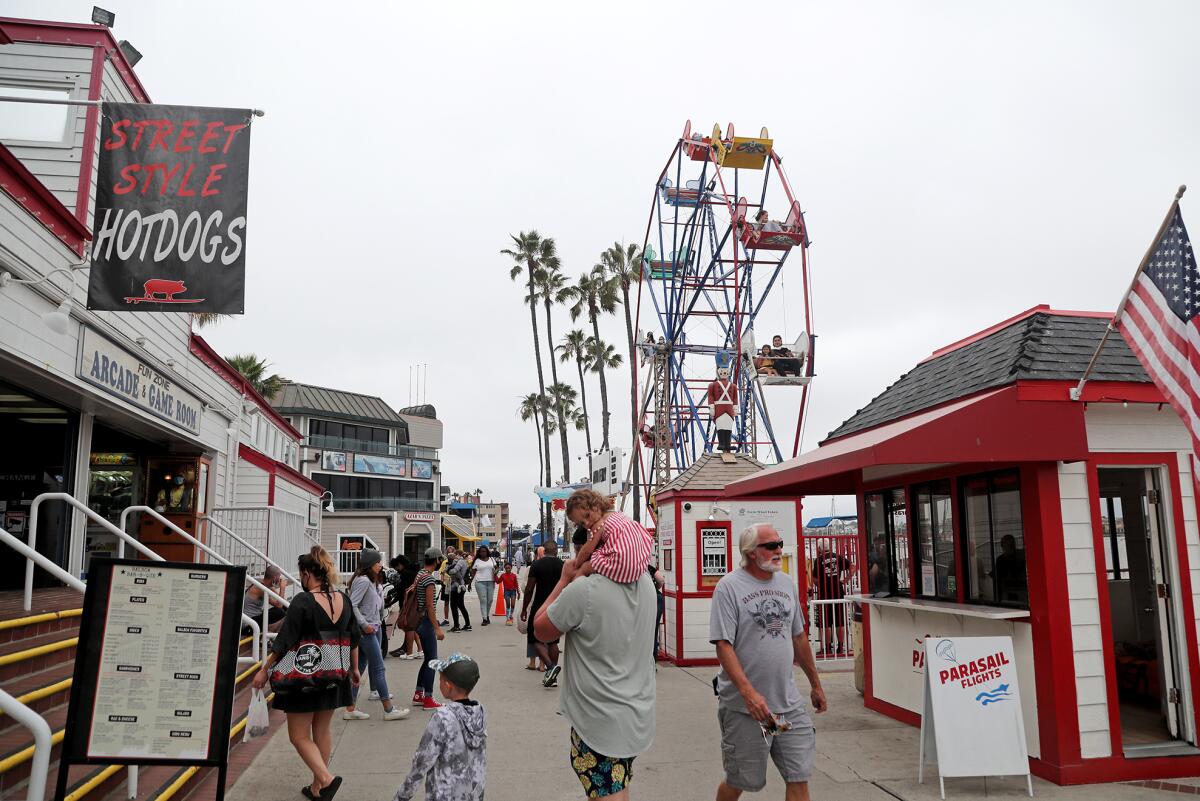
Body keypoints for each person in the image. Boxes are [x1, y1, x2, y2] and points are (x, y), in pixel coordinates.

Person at [710, 524, 827, 801]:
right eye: (771, 546)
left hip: (785, 710)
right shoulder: (729, 587)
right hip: (748, 711)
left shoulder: (786, 583)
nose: (778, 550)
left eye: (779, 544)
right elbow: (723, 645)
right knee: (741, 780)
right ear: (751, 552)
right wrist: (749, 694)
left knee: (798, 774)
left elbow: (798, 636)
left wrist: (816, 685)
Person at [535, 539, 656, 800]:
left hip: (598, 719)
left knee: (607, 790)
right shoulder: (645, 582)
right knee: (618, 784)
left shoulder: (585, 590)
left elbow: (541, 628)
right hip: (635, 714)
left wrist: (565, 579)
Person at [252, 546, 357, 801]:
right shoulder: (344, 598)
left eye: (301, 574)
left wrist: (265, 670)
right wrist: (354, 669)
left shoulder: (303, 600)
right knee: (322, 730)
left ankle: (327, 779)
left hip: (305, 676)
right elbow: (354, 637)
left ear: (308, 573)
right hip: (335, 672)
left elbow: (285, 641)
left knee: (298, 736)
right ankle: (318, 787)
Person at [391, 653, 487, 801]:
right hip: (473, 794)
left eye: (441, 680)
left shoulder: (443, 717)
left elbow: (422, 762)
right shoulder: (479, 712)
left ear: (448, 685)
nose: (440, 683)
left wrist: (402, 796)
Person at [343, 550, 409, 721]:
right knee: (379, 667)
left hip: (375, 627)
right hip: (367, 630)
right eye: (378, 562)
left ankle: (350, 708)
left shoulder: (372, 580)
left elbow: (375, 602)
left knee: (363, 665)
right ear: (370, 564)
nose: (381, 564)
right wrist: (364, 625)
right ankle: (388, 709)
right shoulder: (363, 581)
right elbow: (352, 604)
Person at [566, 489, 654, 586]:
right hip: (638, 566)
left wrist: (577, 564)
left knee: (585, 567)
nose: (587, 523)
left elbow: (587, 550)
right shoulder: (619, 516)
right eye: (582, 523)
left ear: (596, 505)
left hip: (621, 563)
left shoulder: (599, 524)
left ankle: (574, 587)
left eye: (587, 515)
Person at [520, 540, 563, 687]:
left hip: (540, 606)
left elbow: (529, 589)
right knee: (553, 641)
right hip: (557, 606)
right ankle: (553, 676)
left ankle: (551, 668)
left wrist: (524, 608)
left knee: (535, 639)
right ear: (556, 550)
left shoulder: (536, 565)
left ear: (544, 550)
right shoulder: (562, 565)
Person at [410, 548, 448, 711]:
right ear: (437, 560)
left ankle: (419, 693)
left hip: (418, 621)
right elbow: (430, 607)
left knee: (427, 659)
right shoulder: (429, 580)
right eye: (441, 560)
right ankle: (428, 698)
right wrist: (437, 628)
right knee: (433, 661)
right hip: (426, 622)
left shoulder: (420, 574)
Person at [812, 541, 850, 657]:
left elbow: (814, 578)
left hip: (825, 593)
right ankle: (841, 647)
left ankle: (828, 649)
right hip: (838, 592)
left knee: (826, 622)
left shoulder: (818, 560)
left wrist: (821, 585)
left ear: (819, 547)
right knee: (840, 621)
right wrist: (844, 581)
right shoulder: (838, 557)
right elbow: (852, 567)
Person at [387, 555, 423, 659]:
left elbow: (401, 590)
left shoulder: (406, 574)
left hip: (408, 603)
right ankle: (420, 650)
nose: (396, 570)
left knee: (408, 627)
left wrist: (391, 601)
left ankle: (409, 653)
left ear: (400, 565)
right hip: (413, 603)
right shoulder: (413, 572)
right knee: (413, 627)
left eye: (396, 567)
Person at [242, 564, 288, 633]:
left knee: (286, 608)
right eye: (279, 577)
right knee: (279, 612)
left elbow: (282, 602)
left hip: (256, 618)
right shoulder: (259, 588)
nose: (280, 579)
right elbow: (279, 605)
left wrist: (277, 589)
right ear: (275, 578)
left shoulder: (266, 585)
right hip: (249, 624)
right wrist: (282, 588)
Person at [448, 551, 473, 632]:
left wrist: (449, 570)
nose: (453, 556)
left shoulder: (460, 562)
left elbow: (455, 570)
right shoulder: (463, 562)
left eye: (454, 555)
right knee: (461, 605)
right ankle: (467, 624)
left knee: (453, 605)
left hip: (456, 587)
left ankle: (456, 626)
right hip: (461, 586)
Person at [472, 546, 497, 625]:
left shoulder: (492, 559)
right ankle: (484, 618)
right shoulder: (477, 561)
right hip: (480, 582)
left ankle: (487, 615)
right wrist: (469, 583)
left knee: (490, 600)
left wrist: (496, 571)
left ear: (487, 552)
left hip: (491, 581)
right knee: (483, 600)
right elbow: (473, 572)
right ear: (479, 553)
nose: (483, 553)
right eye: (481, 552)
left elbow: (497, 568)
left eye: (484, 551)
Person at [648, 562, 665, 660]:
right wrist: (655, 588)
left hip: (645, 600)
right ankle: (653, 661)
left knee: (645, 631)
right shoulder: (649, 567)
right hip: (657, 598)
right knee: (654, 630)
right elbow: (661, 580)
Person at [439, 547, 455, 626]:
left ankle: (456, 620)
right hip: (446, 583)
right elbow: (442, 573)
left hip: (454, 583)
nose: (450, 556)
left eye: (451, 554)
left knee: (455, 602)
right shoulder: (444, 562)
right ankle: (446, 619)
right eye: (449, 554)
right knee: (446, 602)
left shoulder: (457, 562)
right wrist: (442, 582)